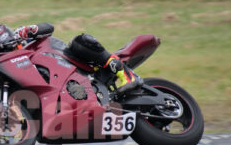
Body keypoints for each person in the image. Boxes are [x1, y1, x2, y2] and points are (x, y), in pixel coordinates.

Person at [13, 24, 141, 94]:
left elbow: (48, 27)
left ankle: (127, 75)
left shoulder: (19, 39)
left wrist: (24, 32)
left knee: (80, 42)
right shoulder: (13, 73)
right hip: (62, 91)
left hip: (69, 59)